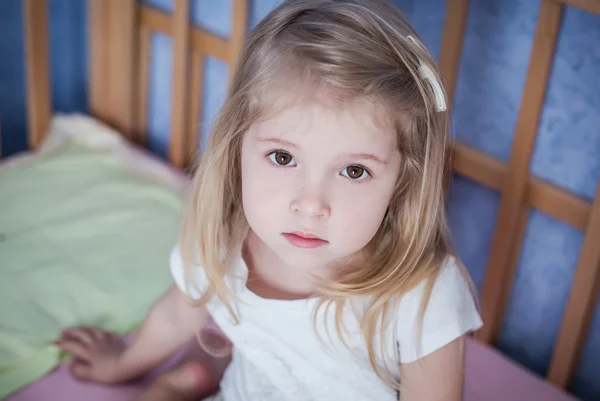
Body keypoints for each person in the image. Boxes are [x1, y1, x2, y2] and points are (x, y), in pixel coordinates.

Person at [56, 0, 483, 399]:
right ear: (236, 147)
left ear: (402, 181)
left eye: (354, 171)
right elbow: (177, 315)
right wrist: (122, 365)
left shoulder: (421, 295)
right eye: (283, 157)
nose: (311, 204)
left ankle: (196, 370)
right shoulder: (224, 244)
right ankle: (194, 372)